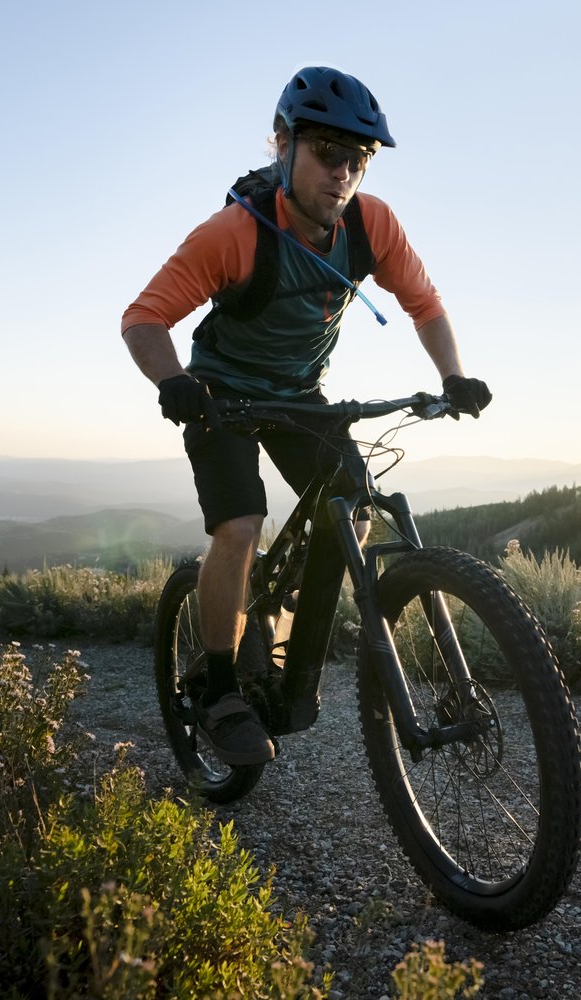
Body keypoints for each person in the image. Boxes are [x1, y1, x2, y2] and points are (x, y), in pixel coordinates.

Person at [121, 66, 491, 765]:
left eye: (358, 158)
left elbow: (425, 304)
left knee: (352, 508)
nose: (342, 172)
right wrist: (173, 380)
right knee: (239, 525)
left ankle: (280, 636)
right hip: (220, 395)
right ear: (283, 143)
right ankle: (219, 690)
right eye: (327, 152)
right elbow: (144, 318)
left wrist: (454, 377)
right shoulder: (234, 233)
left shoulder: (370, 224)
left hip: (298, 396)